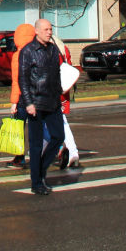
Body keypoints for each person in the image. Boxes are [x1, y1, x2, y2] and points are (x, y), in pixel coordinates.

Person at [18, 17, 64, 195]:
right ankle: (36, 182)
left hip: (53, 101)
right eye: (46, 29)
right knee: (36, 144)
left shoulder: (53, 49)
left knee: (58, 136)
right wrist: (28, 103)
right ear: (36, 31)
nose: (49, 32)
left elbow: (56, 73)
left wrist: (59, 93)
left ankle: (41, 168)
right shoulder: (28, 51)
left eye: (50, 29)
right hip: (35, 104)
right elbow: (23, 79)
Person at [7, 22, 35, 169]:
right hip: (37, 97)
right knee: (39, 128)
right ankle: (58, 148)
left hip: (23, 99)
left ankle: (19, 158)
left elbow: (16, 81)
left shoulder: (18, 56)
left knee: (18, 129)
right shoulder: (38, 53)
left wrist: (14, 102)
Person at [52, 32, 81, 170]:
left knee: (52, 123)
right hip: (64, 89)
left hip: (53, 91)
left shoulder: (47, 49)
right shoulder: (62, 46)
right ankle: (71, 152)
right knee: (60, 121)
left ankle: (62, 150)